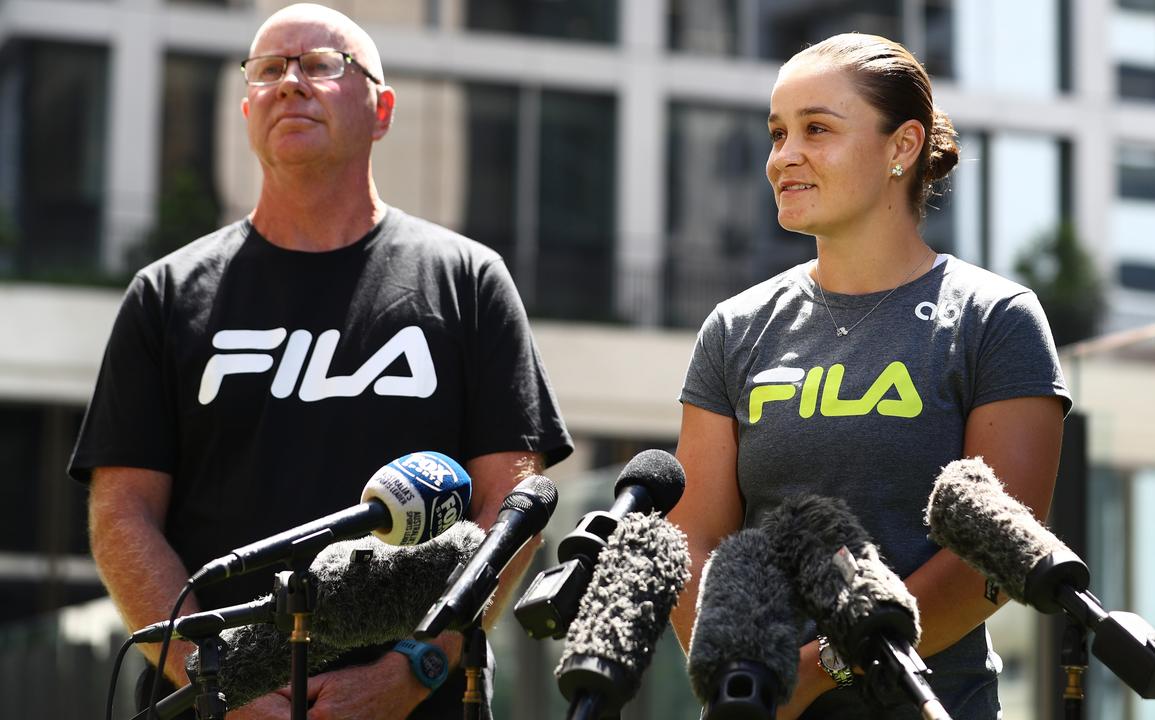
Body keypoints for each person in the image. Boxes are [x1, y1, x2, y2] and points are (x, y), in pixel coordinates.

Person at [68, 4, 572, 719]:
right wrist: (219, 683)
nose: (290, 83)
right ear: (247, 108)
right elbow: (122, 513)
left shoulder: (468, 281)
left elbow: (512, 508)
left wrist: (415, 668)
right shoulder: (166, 295)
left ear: (383, 109)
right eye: (268, 69)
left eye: (322, 65)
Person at [668, 32, 1071, 720]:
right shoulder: (736, 328)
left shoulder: (996, 319)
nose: (782, 157)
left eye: (816, 130)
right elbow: (693, 545)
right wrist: (744, 675)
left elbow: (999, 554)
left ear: (902, 147)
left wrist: (822, 667)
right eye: (777, 133)